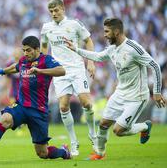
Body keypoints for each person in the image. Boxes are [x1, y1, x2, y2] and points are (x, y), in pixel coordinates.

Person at [65, 18, 166, 160]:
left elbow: (155, 66)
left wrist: (156, 92)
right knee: (103, 123)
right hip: (120, 93)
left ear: (117, 31)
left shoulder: (133, 48)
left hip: (137, 96)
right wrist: (76, 49)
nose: (104, 35)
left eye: (107, 31)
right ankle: (100, 154)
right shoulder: (113, 49)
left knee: (118, 130)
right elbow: (98, 56)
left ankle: (144, 126)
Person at [0, 36, 71, 160]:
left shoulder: (46, 60)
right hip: (22, 105)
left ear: (37, 49)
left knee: (42, 153)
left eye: (28, 50)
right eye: (23, 50)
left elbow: (62, 71)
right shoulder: (24, 60)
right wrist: (3, 71)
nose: (25, 53)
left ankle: (63, 152)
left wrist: (40, 71)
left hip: (38, 111)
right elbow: (16, 67)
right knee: (5, 119)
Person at [40, 0, 96, 155]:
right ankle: (73, 141)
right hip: (60, 71)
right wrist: (45, 68)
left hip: (77, 69)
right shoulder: (46, 28)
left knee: (86, 103)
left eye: (56, 10)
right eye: (51, 11)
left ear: (63, 9)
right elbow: (44, 47)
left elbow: (89, 41)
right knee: (63, 106)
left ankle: (92, 133)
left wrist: (90, 62)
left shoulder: (75, 24)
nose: (53, 13)